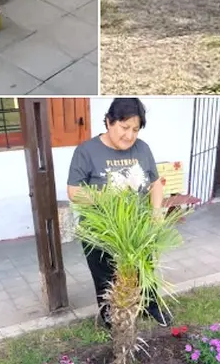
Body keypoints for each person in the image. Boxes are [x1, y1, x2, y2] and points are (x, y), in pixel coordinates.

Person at [66, 97, 169, 329]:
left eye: (135, 129)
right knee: (105, 278)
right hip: (100, 232)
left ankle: (151, 306)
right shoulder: (87, 151)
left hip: (138, 229)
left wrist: (155, 213)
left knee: (145, 270)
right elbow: (74, 191)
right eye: (124, 127)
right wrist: (112, 195)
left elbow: (155, 184)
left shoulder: (142, 148)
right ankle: (112, 319)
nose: (130, 135)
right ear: (109, 122)